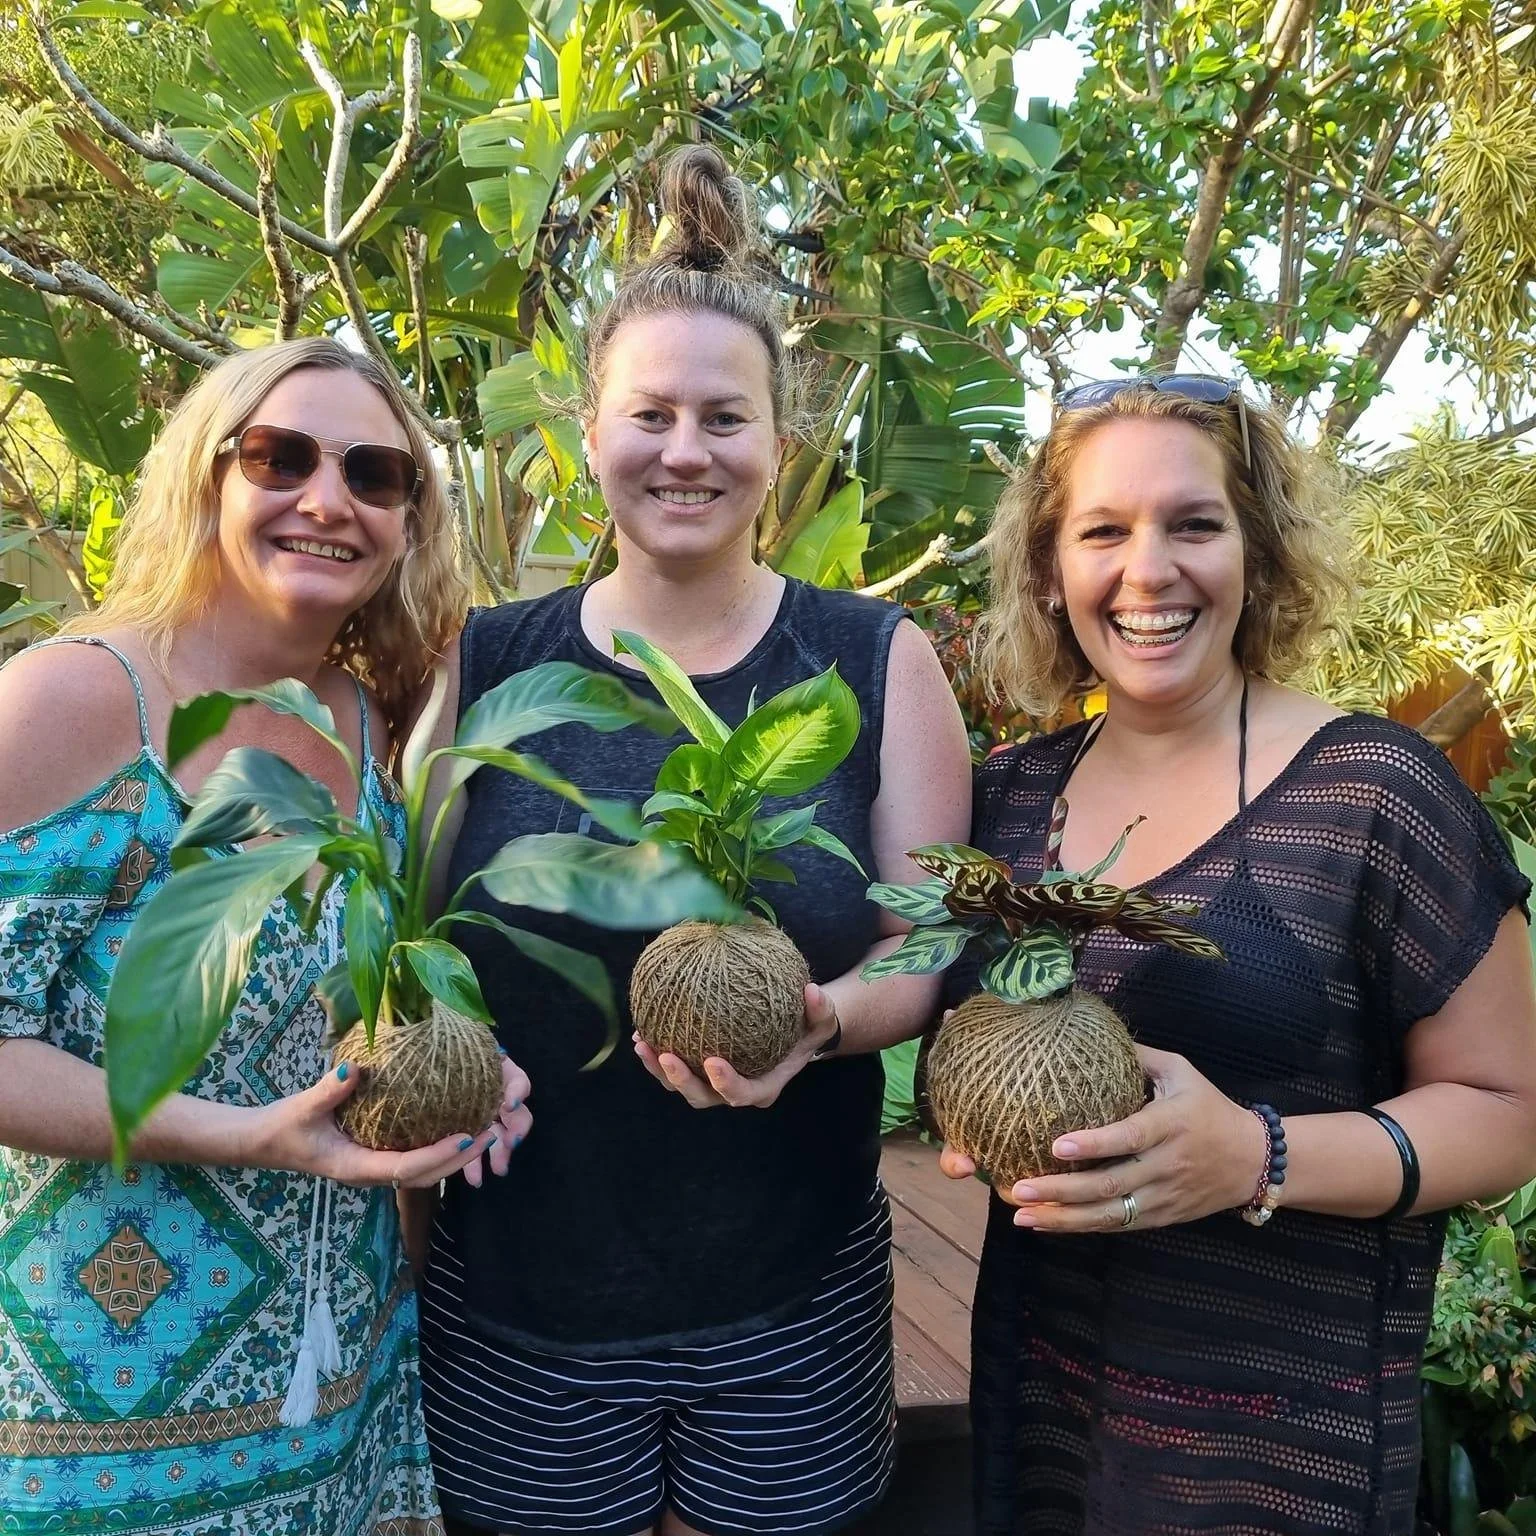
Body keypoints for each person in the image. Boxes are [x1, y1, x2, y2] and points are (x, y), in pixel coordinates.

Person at [408, 145, 972, 1536]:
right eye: (649, 414)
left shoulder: (875, 658)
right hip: (524, 1290)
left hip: (792, 1280)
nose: (685, 451)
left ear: (778, 439)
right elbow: (407, 935)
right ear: (586, 432)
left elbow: (930, 940)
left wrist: (825, 1022)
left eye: (726, 418)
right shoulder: (484, 661)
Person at [938, 375, 1536, 1535]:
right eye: (1102, 531)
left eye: (1194, 525)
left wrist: (1252, 1157)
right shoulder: (1003, 806)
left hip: (1276, 1448)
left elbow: (1512, 1112)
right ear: (1051, 574)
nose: (1148, 571)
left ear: (1257, 558)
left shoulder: (1377, 795)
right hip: (1052, 1404)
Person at [0, 337, 530, 1536]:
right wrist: (248, 1138)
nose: (328, 499)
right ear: (207, 475)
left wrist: (455, 1074)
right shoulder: (78, 702)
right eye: (280, 456)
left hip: (335, 1378)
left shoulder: (359, 717)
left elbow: (348, 1011)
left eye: (376, 474)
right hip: (97, 1403)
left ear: (408, 517)